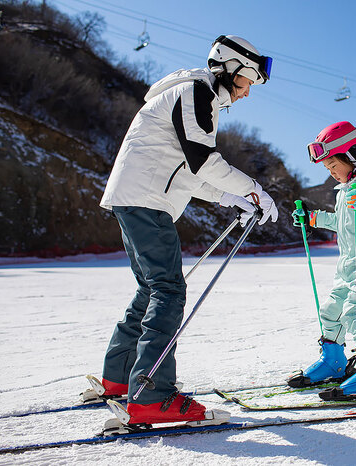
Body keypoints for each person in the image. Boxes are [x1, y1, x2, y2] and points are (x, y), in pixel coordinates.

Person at [91, 35, 278, 426]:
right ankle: (152, 396)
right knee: (169, 290)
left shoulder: (191, 94)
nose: (245, 94)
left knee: (152, 288)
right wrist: (253, 188)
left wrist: (233, 199)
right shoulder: (197, 92)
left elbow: (190, 169)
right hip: (146, 200)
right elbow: (203, 159)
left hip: (135, 197)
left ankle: (119, 378)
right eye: (246, 83)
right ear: (231, 69)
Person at [289, 121, 356, 395]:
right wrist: (312, 218)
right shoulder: (346, 191)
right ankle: (334, 362)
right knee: (330, 311)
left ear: (350, 155)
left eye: (333, 166)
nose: (331, 173)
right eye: (327, 169)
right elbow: (341, 221)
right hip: (348, 266)